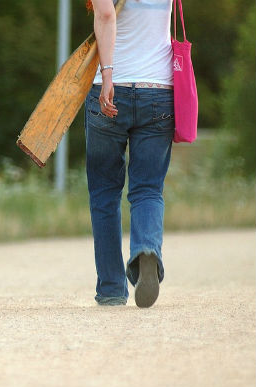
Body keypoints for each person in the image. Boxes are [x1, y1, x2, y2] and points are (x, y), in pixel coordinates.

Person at [85, 0, 175, 307]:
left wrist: (107, 76)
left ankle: (111, 287)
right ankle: (146, 250)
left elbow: (106, 13)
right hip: (159, 90)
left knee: (104, 192)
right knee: (148, 188)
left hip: (112, 87)